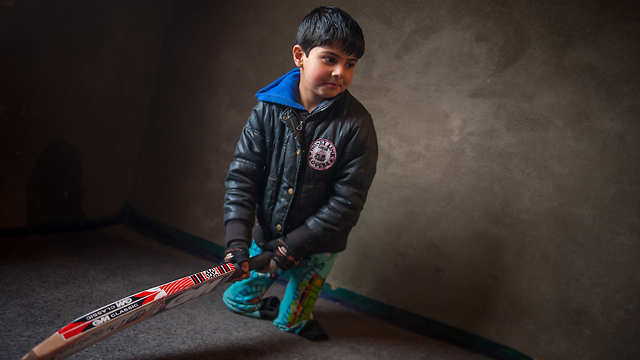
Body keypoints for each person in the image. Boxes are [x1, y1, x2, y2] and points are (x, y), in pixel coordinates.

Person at [222, 5, 378, 341]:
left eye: (350, 64)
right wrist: (237, 242)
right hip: (266, 237)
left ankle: (292, 318)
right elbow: (242, 178)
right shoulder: (267, 110)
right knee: (235, 298)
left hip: (318, 243)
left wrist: (295, 245)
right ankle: (258, 301)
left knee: (293, 315)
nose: (340, 72)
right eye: (329, 59)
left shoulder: (357, 125)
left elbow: (347, 202)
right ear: (300, 56)